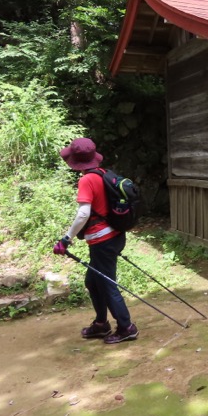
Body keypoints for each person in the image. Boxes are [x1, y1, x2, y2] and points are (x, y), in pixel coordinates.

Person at [53, 138, 139, 344]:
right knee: (93, 281)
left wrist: (66, 239)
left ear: (75, 161)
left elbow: (83, 213)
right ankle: (101, 324)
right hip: (115, 235)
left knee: (107, 283)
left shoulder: (86, 180)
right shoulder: (102, 174)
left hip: (103, 240)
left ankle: (127, 327)